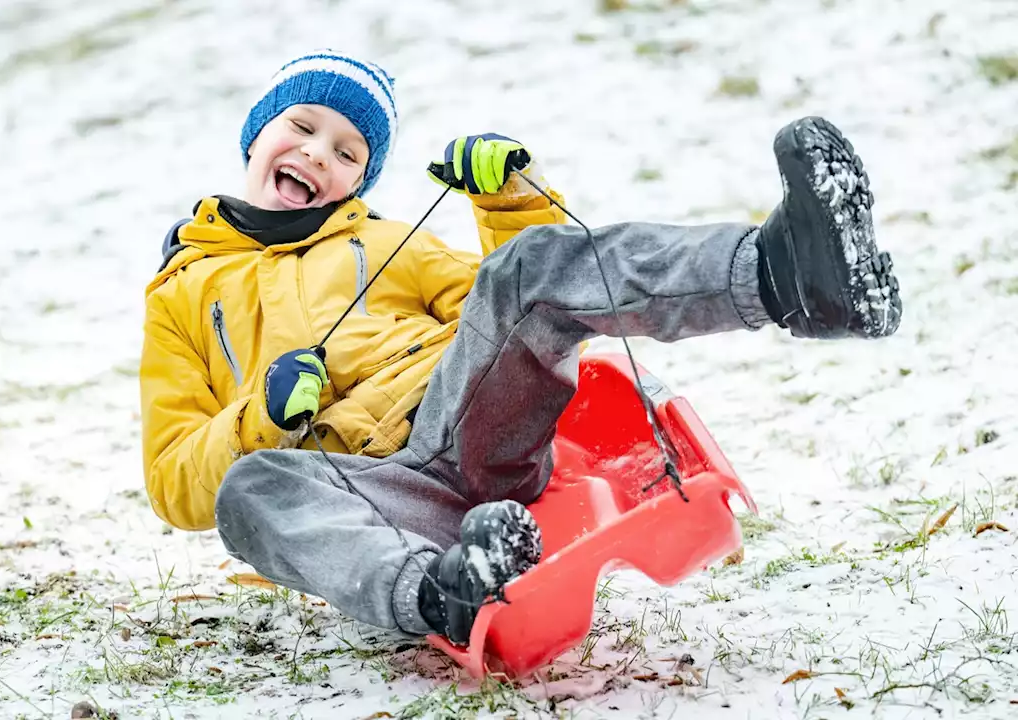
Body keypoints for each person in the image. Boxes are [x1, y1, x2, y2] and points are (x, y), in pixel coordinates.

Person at [138, 50, 903, 645]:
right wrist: (261, 417)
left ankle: (791, 278)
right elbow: (176, 481)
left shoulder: (387, 246)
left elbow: (508, 306)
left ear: (361, 179)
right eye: (301, 128)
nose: (316, 154)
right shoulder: (182, 296)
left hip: (472, 429)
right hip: (365, 493)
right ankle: (444, 592)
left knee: (528, 270)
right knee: (252, 490)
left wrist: (509, 201)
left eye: (346, 152)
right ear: (257, 132)